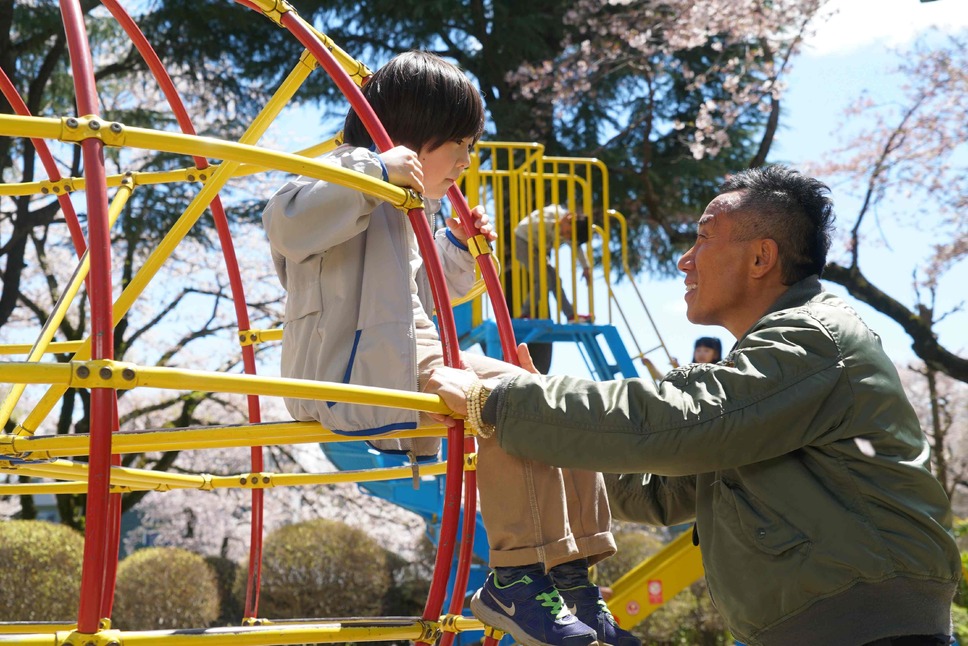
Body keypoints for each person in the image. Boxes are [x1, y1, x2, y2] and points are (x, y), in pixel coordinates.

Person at [425, 165, 961, 646]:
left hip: (871, 632)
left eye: (703, 238)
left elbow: (677, 420)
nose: (685, 259)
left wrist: (501, 401)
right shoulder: (769, 362)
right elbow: (657, 493)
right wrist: (541, 445)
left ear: (760, 257)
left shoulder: (810, 338)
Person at [261, 51, 638, 646]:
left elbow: (420, 291)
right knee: (503, 401)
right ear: (410, 135)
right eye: (456, 143)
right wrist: (374, 172)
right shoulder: (341, 175)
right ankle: (513, 576)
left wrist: (457, 248)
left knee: (555, 398)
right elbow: (287, 223)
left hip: (416, 352)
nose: (466, 159)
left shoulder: (408, 203)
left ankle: (572, 575)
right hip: (361, 370)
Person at [514, 204, 593, 323]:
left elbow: (576, 247)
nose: (565, 236)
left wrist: (586, 267)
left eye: (569, 236)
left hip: (538, 249)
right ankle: (525, 313)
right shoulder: (551, 214)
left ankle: (571, 315)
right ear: (568, 220)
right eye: (567, 232)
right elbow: (534, 226)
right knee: (544, 279)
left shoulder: (568, 229)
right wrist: (557, 224)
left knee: (555, 280)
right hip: (523, 242)